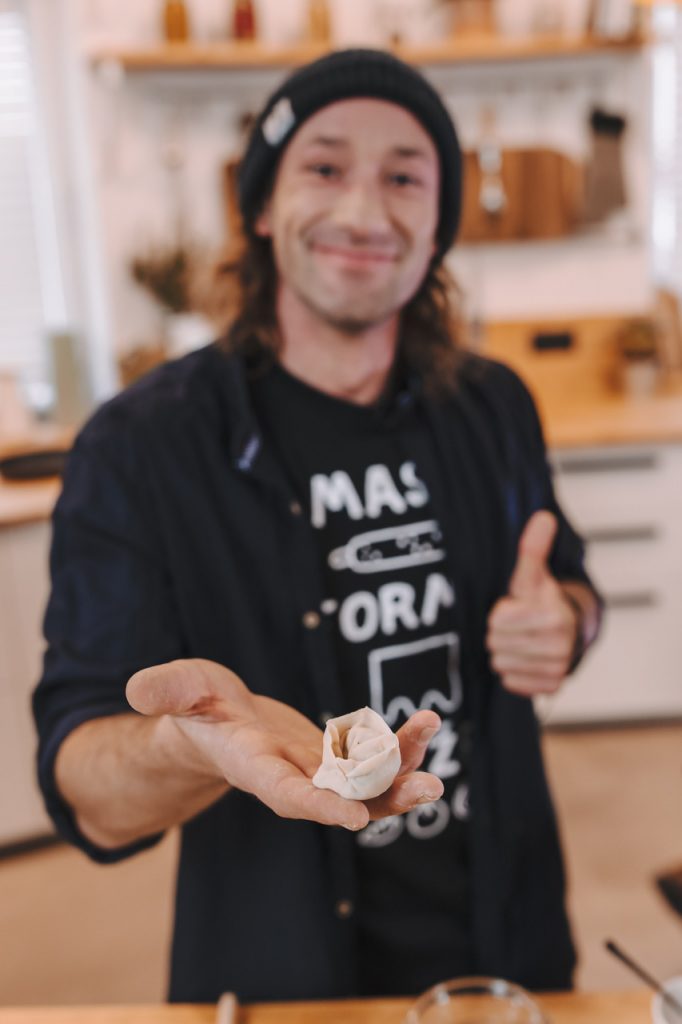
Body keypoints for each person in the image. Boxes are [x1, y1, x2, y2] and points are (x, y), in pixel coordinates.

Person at [33, 49, 602, 1005]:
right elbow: (85, 789)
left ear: (438, 224)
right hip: (278, 979)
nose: (364, 212)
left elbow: (573, 587)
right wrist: (184, 748)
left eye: (405, 178)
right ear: (262, 206)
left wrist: (569, 623)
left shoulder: (495, 404)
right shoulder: (140, 448)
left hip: (510, 951)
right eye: (326, 167)